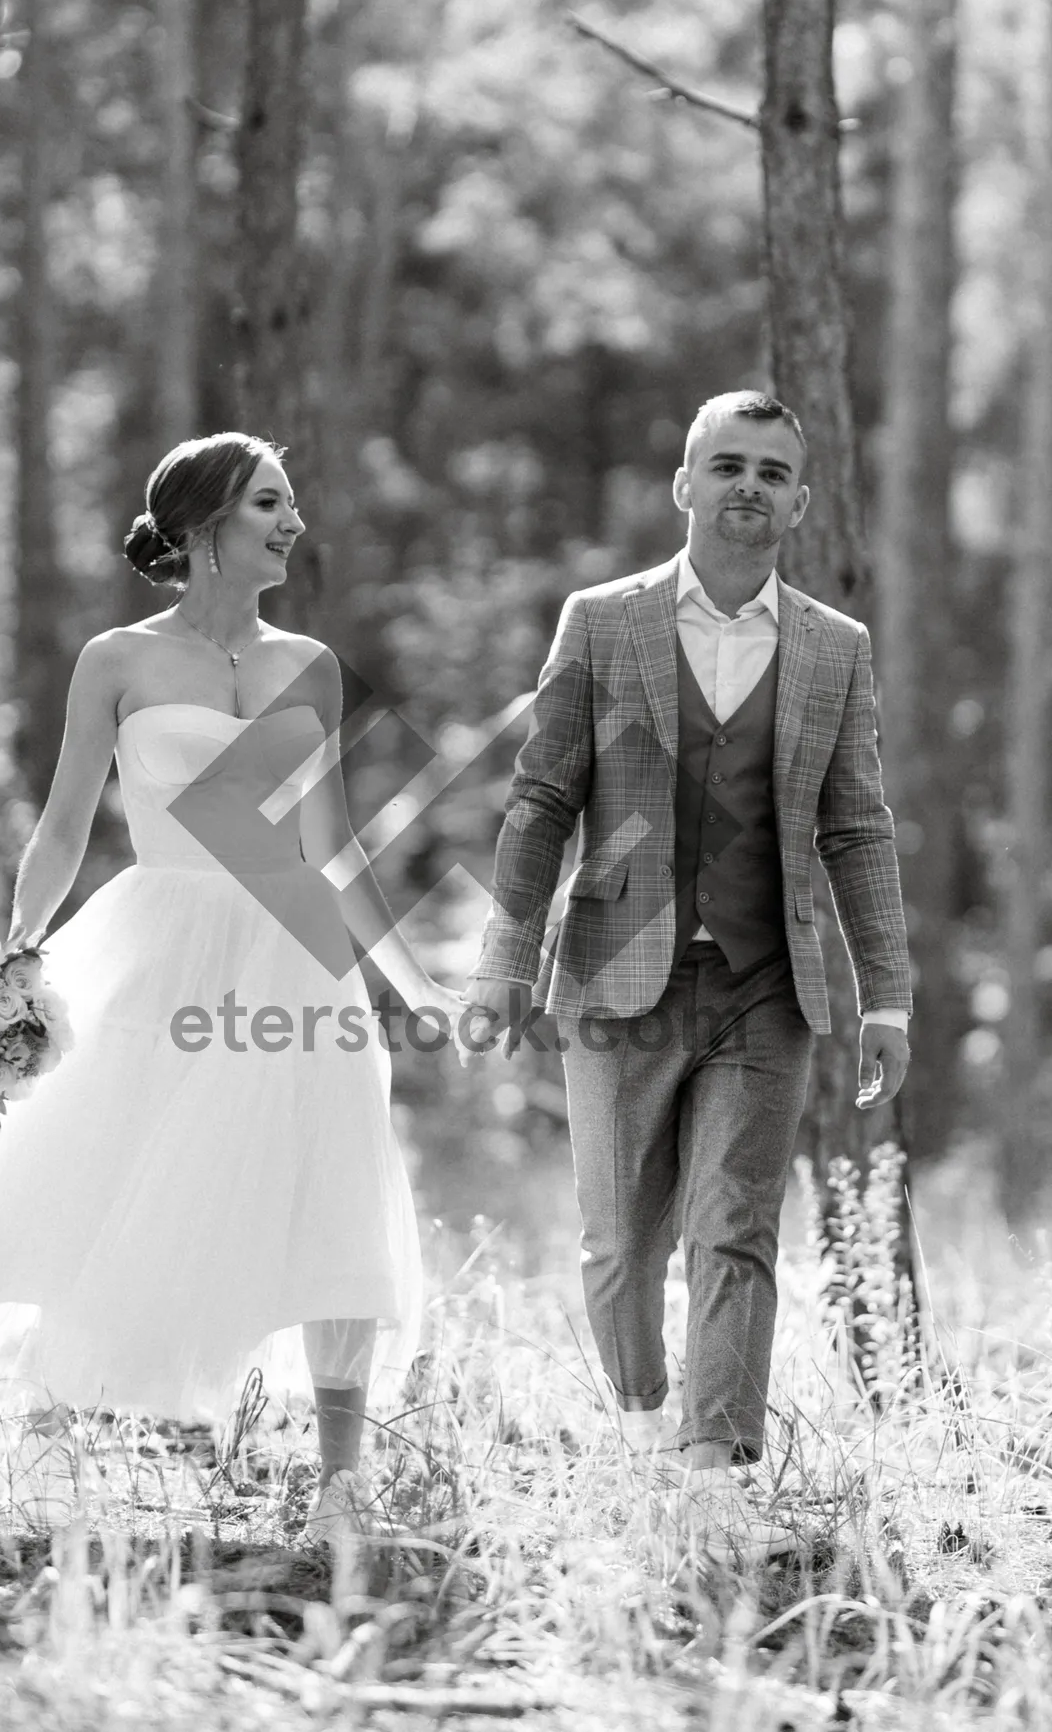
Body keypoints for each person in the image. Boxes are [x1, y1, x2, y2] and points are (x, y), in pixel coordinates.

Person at [0, 431, 462, 1542]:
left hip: (295, 953)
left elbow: (337, 847)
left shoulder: (311, 667)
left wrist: (411, 981)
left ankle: (340, 1486)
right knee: (97, 1158)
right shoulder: (117, 661)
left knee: (332, 1181)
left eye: (292, 504)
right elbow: (62, 824)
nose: (293, 523)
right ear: (204, 525)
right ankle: (46, 1439)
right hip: (159, 940)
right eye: (271, 503)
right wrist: (10, 958)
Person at [462, 391, 912, 1557]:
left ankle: (712, 1481)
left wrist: (889, 994)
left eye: (772, 472)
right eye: (728, 466)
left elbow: (859, 827)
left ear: (801, 502)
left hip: (773, 987)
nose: (749, 487)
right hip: (619, 980)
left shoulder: (833, 647)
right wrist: (503, 961)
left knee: (736, 1228)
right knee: (620, 1242)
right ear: (685, 486)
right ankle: (642, 1421)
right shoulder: (602, 623)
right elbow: (543, 796)